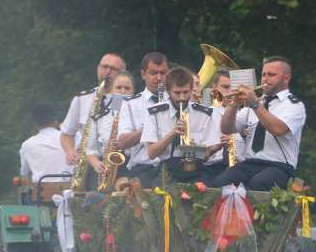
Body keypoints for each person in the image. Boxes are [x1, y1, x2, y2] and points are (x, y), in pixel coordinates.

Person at [208, 57, 305, 191]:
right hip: (250, 163)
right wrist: (234, 103)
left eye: (271, 75)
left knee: (258, 184)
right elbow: (227, 128)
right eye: (263, 74)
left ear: (286, 78)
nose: (265, 79)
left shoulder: (293, 105)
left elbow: (278, 129)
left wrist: (254, 103)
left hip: (279, 166)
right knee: (221, 182)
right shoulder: (254, 105)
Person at [143, 66, 219, 187]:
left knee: (208, 191)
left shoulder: (202, 113)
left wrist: (197, 149)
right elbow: (151, 153)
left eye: (186, 92)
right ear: (167, 90)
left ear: (191, 89)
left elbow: (206, 157)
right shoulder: (156, 113)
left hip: (196, 168)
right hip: (167, 169)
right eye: (177, 93)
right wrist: (173, 133)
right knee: (162, 191)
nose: (182, 98)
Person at [60, 53, 126, 189]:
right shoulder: (81, 99)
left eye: (113, 69)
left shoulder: (127, 100)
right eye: (104, 67)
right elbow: (67, 132)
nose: (107, 72)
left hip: (119, 160)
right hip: (89, 162)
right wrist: (70, 151)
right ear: (98, 68)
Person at [118, 52, 170, 188]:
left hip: (170, 166)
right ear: (143, 74)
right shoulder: (130, 104)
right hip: (143, 167)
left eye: (163, 73)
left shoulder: (176, 102)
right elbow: (123, 141)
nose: (159, 78)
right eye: (153, 73)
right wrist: (152, 125)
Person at [85, 70, 135, 191]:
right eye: (119, 87)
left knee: (126, 191)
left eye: (127, 88)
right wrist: (96, 163)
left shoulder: (139, 117)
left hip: (129, 167)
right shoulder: (100, 118)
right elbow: (91, 150)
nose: (123, 91)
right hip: (104, 168)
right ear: (111, 90)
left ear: (133, 91)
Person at [19, 102, 73, 190]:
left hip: (41, 196)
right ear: (54, 120)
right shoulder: (71, 138)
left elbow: (24, 173)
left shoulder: (27, 144)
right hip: (70, 191)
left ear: (35, 123)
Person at [205, 68, 245, 176]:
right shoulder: (205, 115)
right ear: (215, 88)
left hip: (240, 169)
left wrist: (245, 135)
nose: (231, 92)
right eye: (225, 87)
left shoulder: (244, 115)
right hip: (211, 168)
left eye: (234, 88)